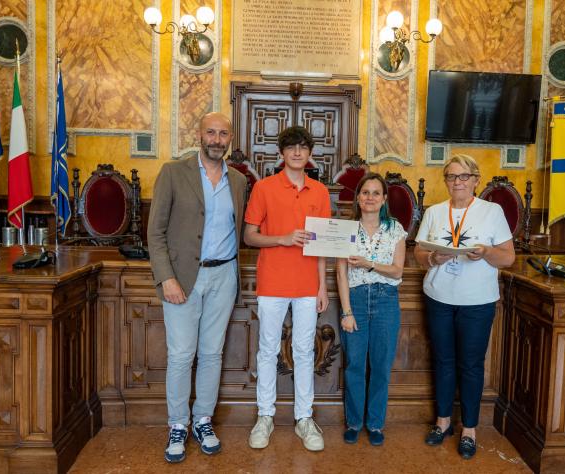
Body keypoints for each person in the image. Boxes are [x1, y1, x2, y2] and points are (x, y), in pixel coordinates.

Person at [148, 112, 247, 462]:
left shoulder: (238, 181)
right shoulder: (173, 173)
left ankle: (203, 420)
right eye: (211, 133)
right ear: (199, 135)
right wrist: (166, 277)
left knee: (211, 353)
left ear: (230, 139)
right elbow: (155, 232)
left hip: (224, 276)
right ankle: (178, 424)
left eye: (223, 134)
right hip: (183, 277)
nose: (217, 140)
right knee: (180, 355)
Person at [414, 154, 515, 460]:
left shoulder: (492, 211)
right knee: (443, 361)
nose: (457, 182)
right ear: (445, 180)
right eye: (451, 176)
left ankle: (469, 429)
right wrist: (433, 258)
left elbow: (508, 257)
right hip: (439, 297)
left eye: (463, 176)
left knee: (471, 365)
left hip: (477, 301)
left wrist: (485, 253)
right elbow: (418, 253)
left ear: (475, 180)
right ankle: (443, 422)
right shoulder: (434, 212)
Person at [244, 126, 331, 452]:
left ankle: (304, 418)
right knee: (267, 349)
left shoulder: (319, 191)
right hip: (273, 282)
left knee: (304, 351)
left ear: (310, 154)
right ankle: (265, 416)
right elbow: (249, 236)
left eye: (303, 147)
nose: (297, 152)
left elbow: (322, 245)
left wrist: (323, 286)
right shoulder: (264, 188)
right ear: (281, 153)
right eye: (291, 147)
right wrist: (282, 238)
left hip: (308, 284)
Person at [336, 173, 407, 446]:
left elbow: (397, 271)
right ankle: (354, 422)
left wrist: (369, 264)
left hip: (385, 299)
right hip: (355, 299)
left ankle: (375, 424)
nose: (370, 197)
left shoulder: (395, 229)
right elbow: (341, 274)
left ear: (384, 199)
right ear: (358, 198)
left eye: (376, 193)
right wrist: (346, 312)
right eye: (365, 192)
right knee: (355, 364)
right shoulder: (346, 229)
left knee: (381, 365)